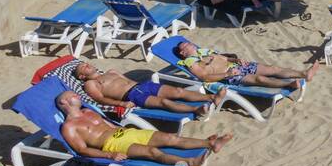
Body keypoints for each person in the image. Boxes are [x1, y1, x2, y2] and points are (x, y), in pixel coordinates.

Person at [55, 91, 231, 166]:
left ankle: (210, 143)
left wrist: (124, 129)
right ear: (64, 103)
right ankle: (191, 162)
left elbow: (109, 124)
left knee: (170, 139)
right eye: (71, 95)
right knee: (152, 152)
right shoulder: (69, 127)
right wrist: (109, 155)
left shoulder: (88, 111)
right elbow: (81, 150)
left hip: (125, 132)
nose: (76, 95)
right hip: (112, 144)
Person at [73, 62, 222, 115]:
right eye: (83, 67)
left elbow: (128, 80)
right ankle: (195, 110)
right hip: (131, 96)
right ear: (81, 76)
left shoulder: (111, 71)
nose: (87, 65)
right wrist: (122, 104)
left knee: (178, 91)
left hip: (141, 86)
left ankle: (211, 97)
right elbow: (100, 99)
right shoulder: (89, 84)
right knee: (164, 103)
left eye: (86, 63)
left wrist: (143, 86)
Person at [174, 41, 319, 91]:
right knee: (260, 79)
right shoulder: (190, 62)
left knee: (272, 69)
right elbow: (204, 76)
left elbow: (223, 57)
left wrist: (235, 60)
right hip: (231, 75)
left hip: (235, 66)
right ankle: (289, 85)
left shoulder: (203, 51)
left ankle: (304, 74)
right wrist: (227, 74)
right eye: (186, 45)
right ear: (183, 52)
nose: (189, 43)